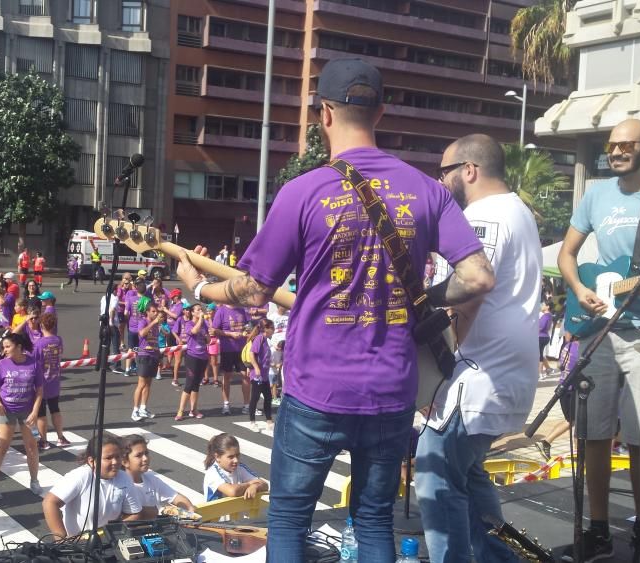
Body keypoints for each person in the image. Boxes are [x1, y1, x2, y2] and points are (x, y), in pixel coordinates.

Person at [175, 58, 493, 561]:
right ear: (380, 112)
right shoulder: (427, 190)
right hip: (392, 390)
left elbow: (255, 290)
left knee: (287, 522)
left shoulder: (303, 191)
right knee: (371, 521)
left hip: (316, 389)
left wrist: (198, 290)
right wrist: (420, 301)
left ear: (323, 113)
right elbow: (478, 277)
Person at [415, 134, 542, 562]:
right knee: (468, 476)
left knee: (434, 475)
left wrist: (423, 299)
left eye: (444, 172)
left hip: (478, 377)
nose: (441, 181)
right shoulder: (518, 212)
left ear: (468, 170)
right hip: (507, 373)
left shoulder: (484, 215)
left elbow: (469, 290)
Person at [557, 118, 640, 562]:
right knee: (594, 435)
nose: (617, 150)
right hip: (602, 327)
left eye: (627, 144)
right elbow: (568, 253)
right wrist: (579, 289)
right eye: (611, 144)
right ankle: (600, 530)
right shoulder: (596, 194)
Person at [43, 434, 143, 538]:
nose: (115, 462)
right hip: (76, 543)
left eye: (118, 457)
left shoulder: (124, 478)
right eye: (108, 458)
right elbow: (50, 502)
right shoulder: (80, 476)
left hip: (108, 540)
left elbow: (134, 513)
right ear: (91, 461)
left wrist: (110, 532)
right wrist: (61, 538)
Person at [0, 332, 43, 499]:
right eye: (3, 347)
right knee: (1, 447)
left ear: (19, 347)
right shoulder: (2, 364)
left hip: (27, 412)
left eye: (8, 346)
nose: (5, 350)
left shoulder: (34, 364)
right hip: (6, 411)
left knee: (31, 446)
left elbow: (39, 390)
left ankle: (34, 481)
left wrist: (35, 411)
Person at [122, 435, 196, 519]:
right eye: (139, 455)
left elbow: (176, 497)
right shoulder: (121, 487)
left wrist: (189, 510)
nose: (145, 458)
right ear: (124, 461)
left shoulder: (151, 478)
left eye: (146, 453)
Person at [34, 313, 68, 450]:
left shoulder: (40, 343)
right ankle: (61, 436)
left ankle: (44, 440)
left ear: (41, 325)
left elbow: (34, 361)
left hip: (41, 382)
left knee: (41, 413)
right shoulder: (58, 340)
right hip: (55, 379)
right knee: (55, 409)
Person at [202, 433, 266, 503]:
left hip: (235, 512)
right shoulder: (212, 473)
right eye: (231, 457)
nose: (236, 460)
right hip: (215, 513)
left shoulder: (240, 468)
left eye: (237, 455)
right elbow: (232, 491)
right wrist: (250, 484)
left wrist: (255, 486)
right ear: (217, 457)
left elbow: (264, 485)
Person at [212, 303, 251, 415]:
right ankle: (226, 404)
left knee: (246, 376)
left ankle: (247, 405)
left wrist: (246, 331)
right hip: (227, 349)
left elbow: (248, 326)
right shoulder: (221, 310)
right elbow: (215, 330)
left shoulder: (242, 309)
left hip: (242, 349)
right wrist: (231, 334)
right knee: (227, 376)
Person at [175, 304, 209, 421]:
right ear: (193, 313)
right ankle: (180, 410)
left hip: (203, 356)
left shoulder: (204, 323)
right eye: (198, 310)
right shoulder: (189, 323)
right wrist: (201, 320)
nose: (201, 311)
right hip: (192, 356)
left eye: (201, 309)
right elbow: (194, 331)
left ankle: (194, 409)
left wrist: (207, 334)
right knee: (189, 384)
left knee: (196, 385)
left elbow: (208, 339)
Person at [131, 299, 162, 421]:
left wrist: (158, 354)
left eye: (156, 311)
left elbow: (155, 340)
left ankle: (143, 408)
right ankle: (135, 410)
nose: (156, 313)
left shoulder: (156, 325)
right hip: (143, 355)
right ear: (148, 312)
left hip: (153, 355)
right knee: (141, 384)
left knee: (148, 384)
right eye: (153, 311)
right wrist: (153, 322)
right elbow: (142, 334)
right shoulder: (143, 321)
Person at [245, 319, 275, 433]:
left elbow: (264, 356)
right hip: (257, 375)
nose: (274, 330)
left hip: (265, 375)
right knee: (255, 397)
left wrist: (270, 364)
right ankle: (252, 422)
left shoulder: (266, 340)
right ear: (266, 328)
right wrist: (256, 367)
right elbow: (252, 353)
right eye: (272, 328)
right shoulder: (259, 338)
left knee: (268, 397)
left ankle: (269, 421)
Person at [538, 302, 553, 379]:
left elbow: (541, 327)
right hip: (544, 336)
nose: (541, 306)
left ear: (548, 306)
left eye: (543, 305)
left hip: (541, 337)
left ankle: (540, 373)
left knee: (539, 355)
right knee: (539, 354)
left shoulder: (546, 316)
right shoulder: (548, 315)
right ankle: (548, 369)